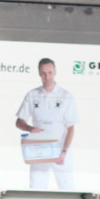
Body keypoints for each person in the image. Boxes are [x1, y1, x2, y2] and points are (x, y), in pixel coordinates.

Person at [15, 58, 79, 190]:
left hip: (61, 149)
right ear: (39, 73)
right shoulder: (32, 95)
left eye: (50, 72)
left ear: (55, 72)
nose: (47, 77)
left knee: (67, 188)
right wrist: (30, 128)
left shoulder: (66, 96)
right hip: (39, 150)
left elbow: (71, 129)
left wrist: (64, 152)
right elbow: (19, 121)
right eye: (43, 73)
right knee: (36, 188)